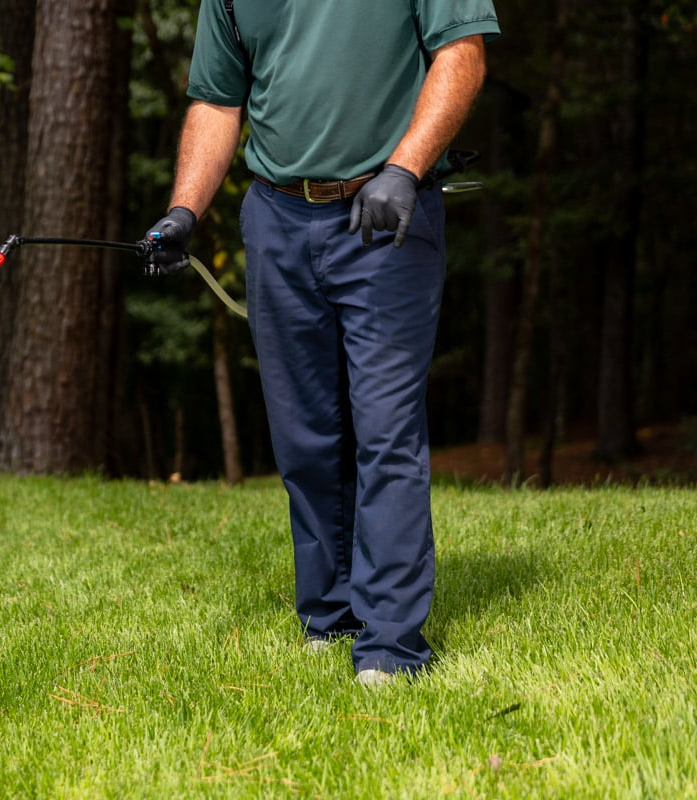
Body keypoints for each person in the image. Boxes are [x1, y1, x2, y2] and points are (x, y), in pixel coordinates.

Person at [146, 2, 500, 686]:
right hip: (276, 219)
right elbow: (218, 102)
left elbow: (463, 56)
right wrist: (185, 209)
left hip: (386, 214)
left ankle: (391, 647)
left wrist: (404, 168)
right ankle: (330, 615)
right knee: (305, 436)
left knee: (385, 430)